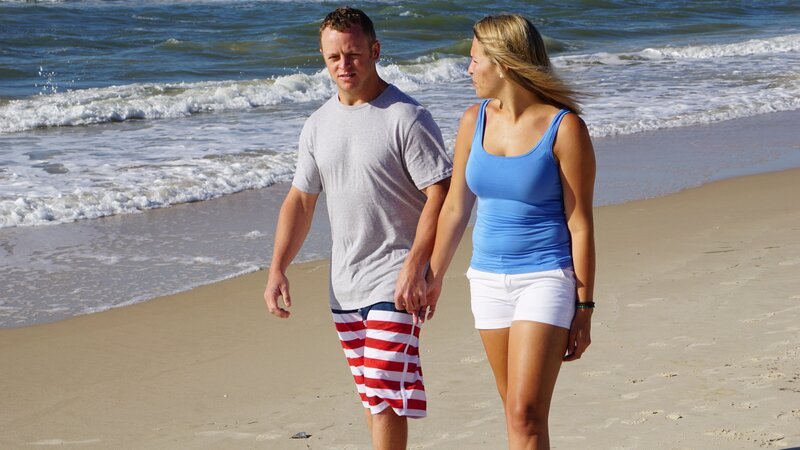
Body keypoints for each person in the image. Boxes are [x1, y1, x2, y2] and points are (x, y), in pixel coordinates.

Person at [262, 7, 452, 450]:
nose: (344, 66)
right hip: (344, 285)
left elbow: (440, 194)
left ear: (375, 50)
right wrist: (277, 269)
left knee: (383, 390)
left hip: (396, 279)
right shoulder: (317, 125)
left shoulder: (406, 116)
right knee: (373, 396)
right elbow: (301, 201)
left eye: (353, 54)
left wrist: (417, 266)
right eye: (333, 58)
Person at [423, 14, 596, 449]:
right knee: (516, 413)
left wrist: (585, 307)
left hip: (545, 278)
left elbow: (580, 223)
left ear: (502, 64)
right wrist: (434, 276)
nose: (468, 70)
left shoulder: (564, 128)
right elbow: (456, 207)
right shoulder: (472, 120)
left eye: (474, 59)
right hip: (486, 281)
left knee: (525, 413)